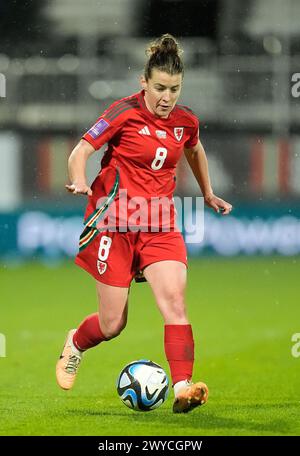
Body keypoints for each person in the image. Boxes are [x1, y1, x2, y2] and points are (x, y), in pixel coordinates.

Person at [56, 33, 232, 413]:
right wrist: (80, 179)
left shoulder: (185, 121)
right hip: (114, 224)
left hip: (159, 224)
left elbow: (194, 149)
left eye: (174, 89)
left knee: (175, 303)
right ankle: (76, 342)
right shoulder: (123, 112)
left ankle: (183, 386)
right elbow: (82, 149)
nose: (167, 98)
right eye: (159, 88)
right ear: (143, 83)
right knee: (111, 324)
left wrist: (207, 193)